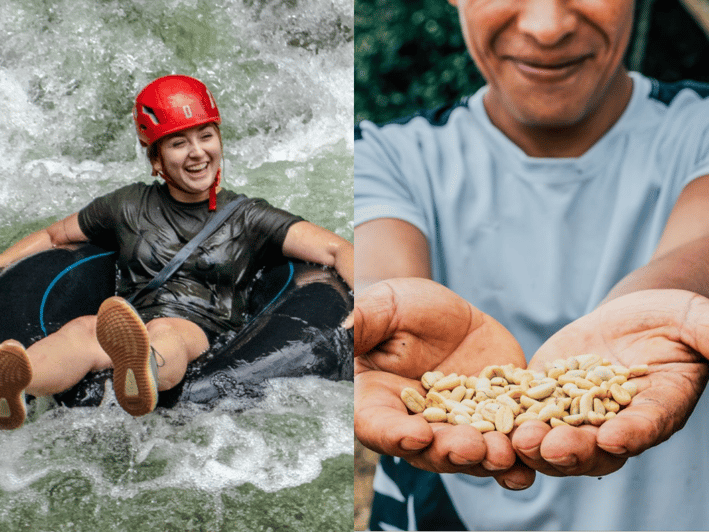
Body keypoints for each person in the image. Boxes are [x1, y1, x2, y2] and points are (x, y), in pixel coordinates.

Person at [354, 0, 709, 529]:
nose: (546, 27)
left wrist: (665, 300)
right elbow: (380, 273)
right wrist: (378, 305)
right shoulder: (381, 155)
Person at [0, 74, 353, 430]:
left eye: (206, 137)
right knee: (81, 331)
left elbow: (337, 249)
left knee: (168, 333)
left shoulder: (250, 217)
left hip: (199, 332)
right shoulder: (126, 204)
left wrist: (369, 301)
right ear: (156, 158)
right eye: (178, 143)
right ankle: (16, 382)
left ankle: (142, 375)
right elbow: (54, 236)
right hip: (128, 325)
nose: (197, 152)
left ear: (219, 142)